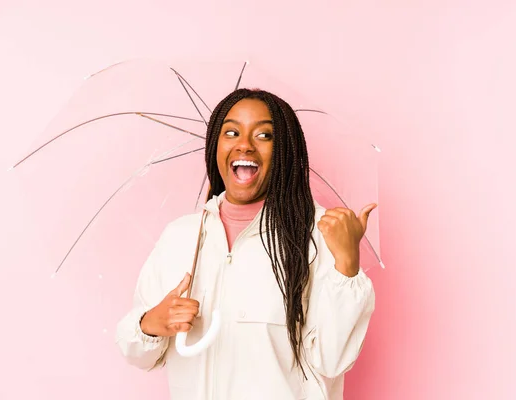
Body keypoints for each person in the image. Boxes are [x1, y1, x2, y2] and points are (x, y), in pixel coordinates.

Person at [115, 88, 376, 399]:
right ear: (215, 145)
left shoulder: (317, 234)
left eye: (264, 135)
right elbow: (138, 355)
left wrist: (346, 264)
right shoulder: (181, 236)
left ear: (285, 151)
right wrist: (151, 324)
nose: (245, 145)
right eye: (232, 132)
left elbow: (333, 360)